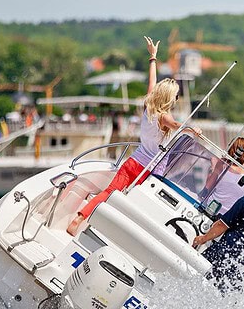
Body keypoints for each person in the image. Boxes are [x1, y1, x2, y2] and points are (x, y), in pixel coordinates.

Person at [67, 36, 196, 235]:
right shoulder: (163, 116)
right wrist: (192, 129)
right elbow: (177, 125)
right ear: (169, 98)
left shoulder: (149, 106)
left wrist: (153, 57)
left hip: (133, 161)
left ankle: (79, 218)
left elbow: (152, 82)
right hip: (149, 172)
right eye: (176, 96)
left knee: (109, 192)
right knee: (137, 207)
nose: (177, 99)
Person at [199, 137, 244, 214]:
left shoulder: (223, 163)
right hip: (224, 213)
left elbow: (208, 186)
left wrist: (213, 167)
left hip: (219, 211)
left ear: (233, 148)